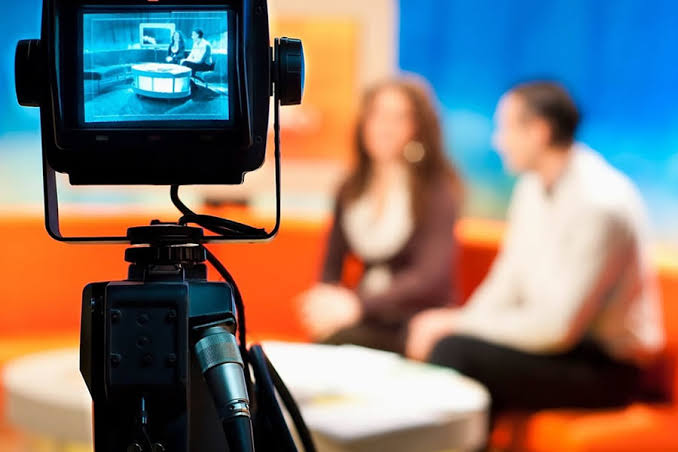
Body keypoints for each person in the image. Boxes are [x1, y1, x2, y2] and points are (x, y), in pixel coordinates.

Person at [406, 81, 665, 415]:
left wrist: (460, 324)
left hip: (607, 365)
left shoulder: (600, 203)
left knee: (456, 352)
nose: (498, 141)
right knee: (446, 343)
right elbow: (506, 282)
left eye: (506, 129)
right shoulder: (532, 186)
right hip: (561, 349)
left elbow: (557, 330)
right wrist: (461, 321)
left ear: (539, 131)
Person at [299, 77, 464, 355]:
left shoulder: (436, 189)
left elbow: (430, 277)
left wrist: (357, 305)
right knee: (324, 343)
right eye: (377, 115)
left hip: (415, 319)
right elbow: (331, 264)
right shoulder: (350, 188)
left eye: (398, 118)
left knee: (337, 345)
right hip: (366, 313)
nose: (384, 128)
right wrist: (325, 300)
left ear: (418, 128)